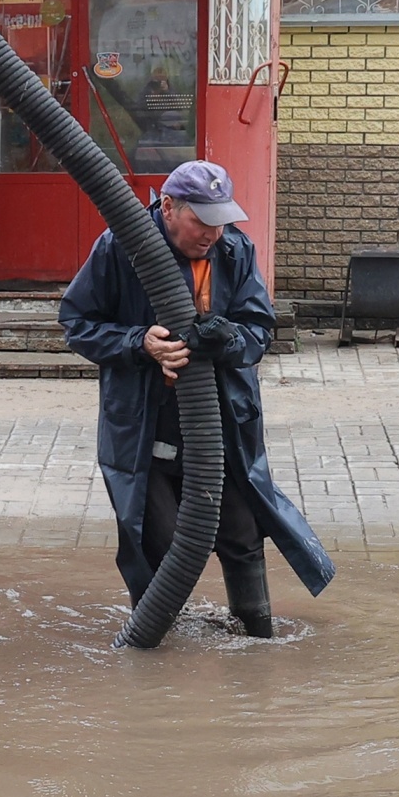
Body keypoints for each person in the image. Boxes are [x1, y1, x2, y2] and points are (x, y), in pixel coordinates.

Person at [56, 161, 333, 637]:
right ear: (167, 207)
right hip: (148, 425)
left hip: (220, 423)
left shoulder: (233, 249)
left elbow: (259, 331)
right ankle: (152, 640)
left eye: (221, 219)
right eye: (202, 221)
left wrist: (227, 340)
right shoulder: (121, 247)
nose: (213, 233)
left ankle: (256, 633)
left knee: (242, 534)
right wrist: (139, 343)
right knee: (157, 540)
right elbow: (77, 323)